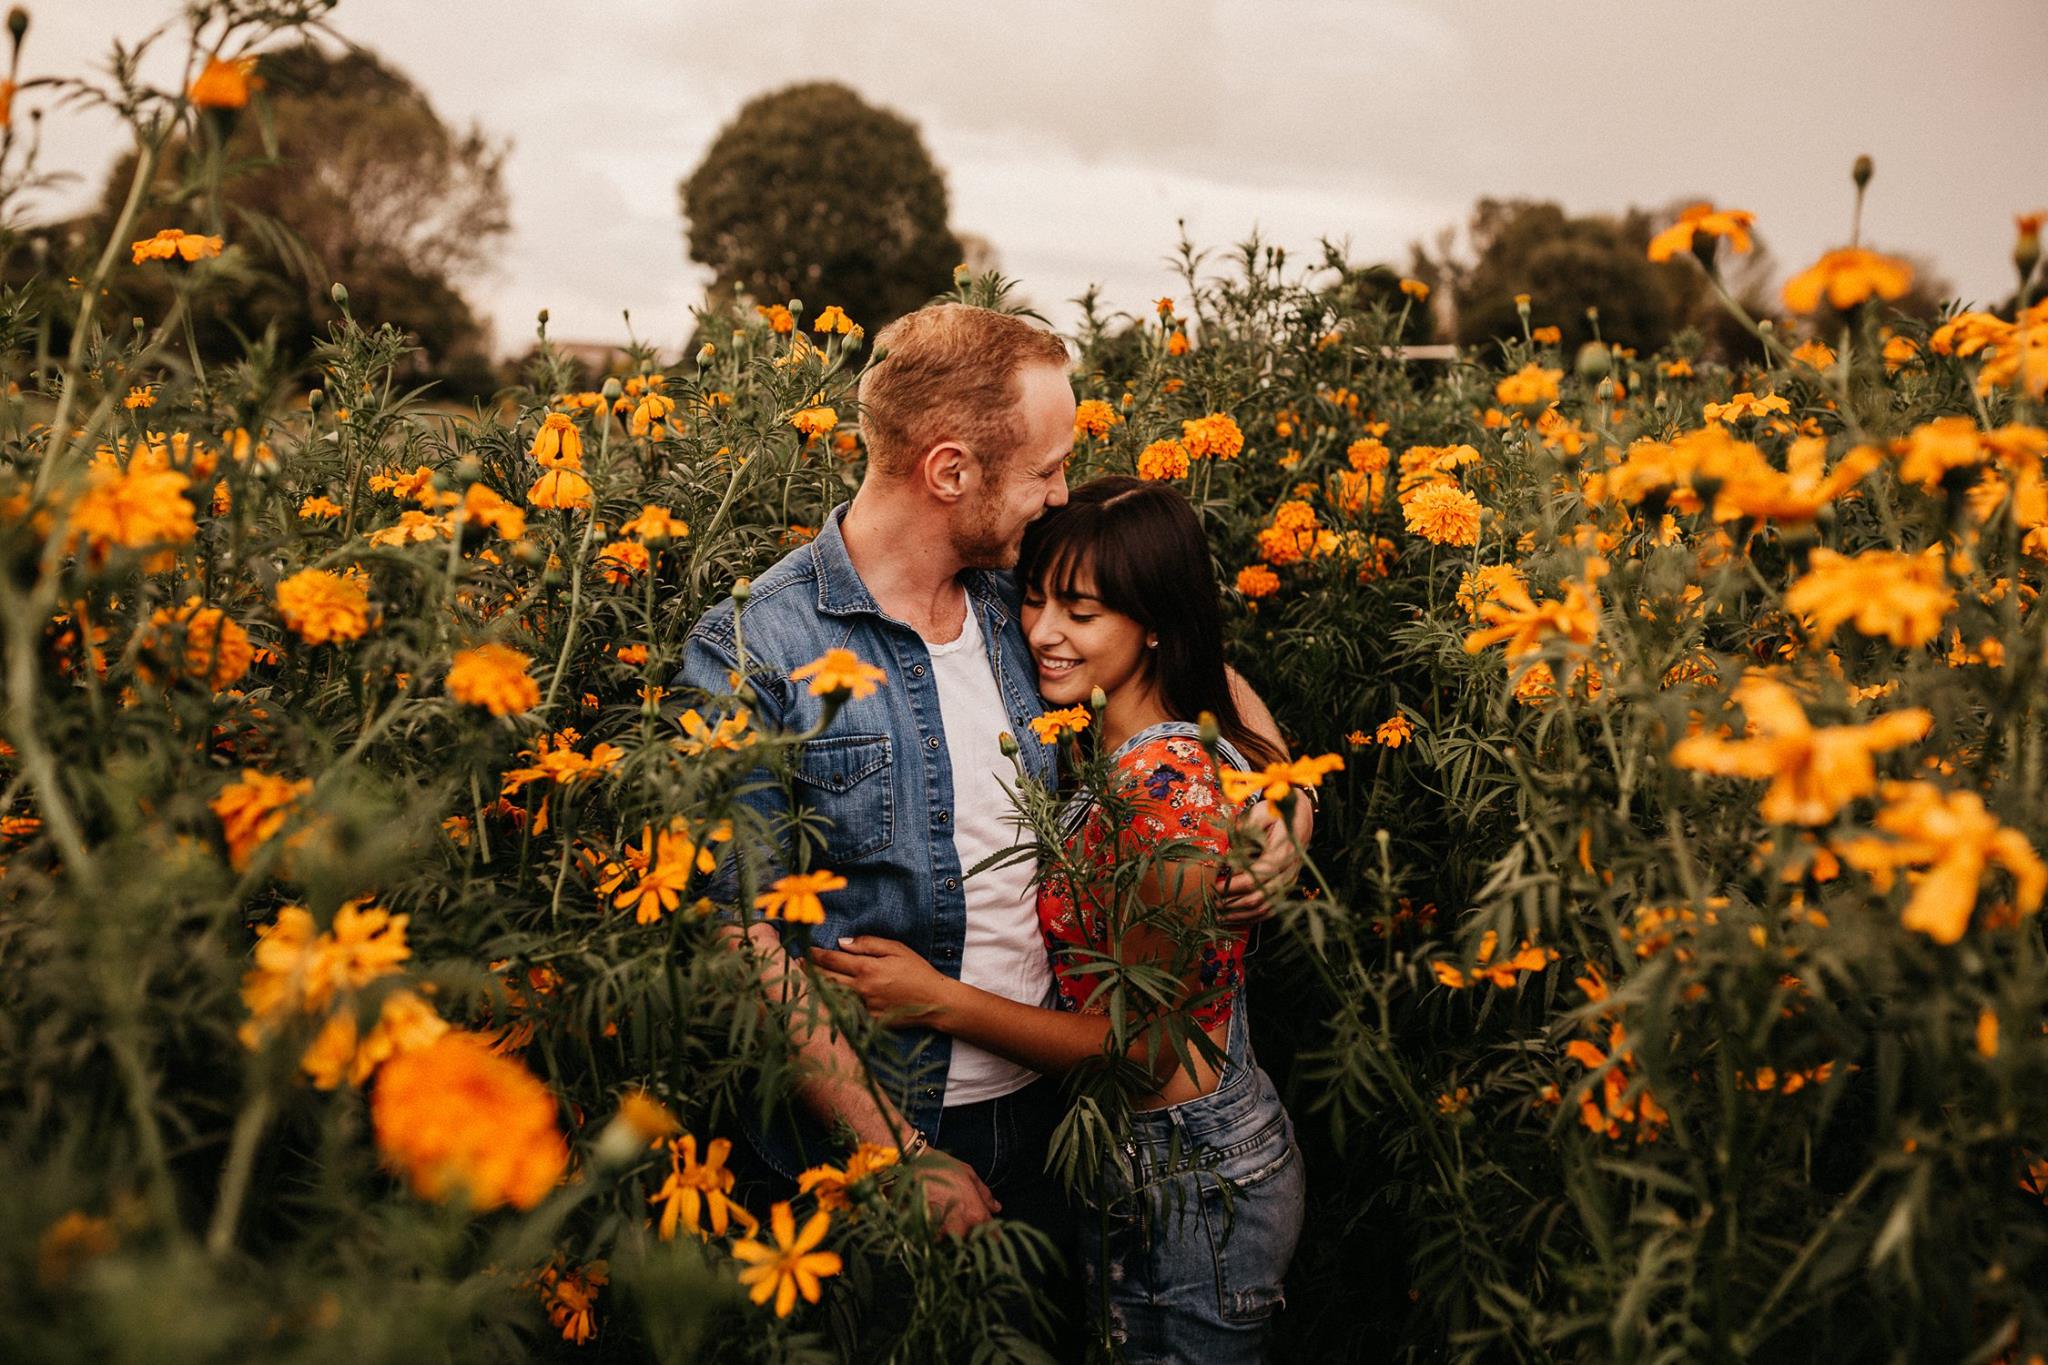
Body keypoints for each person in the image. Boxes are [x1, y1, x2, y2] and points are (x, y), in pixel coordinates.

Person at [672, 305, 1310, 1275]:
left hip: (1064, 1120)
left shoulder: (1028, 598)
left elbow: (1201, 679)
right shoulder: (756, 647)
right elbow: (737, 935)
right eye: (1045, 471)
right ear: (949, 472)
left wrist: (1285, 822)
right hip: (876, 1136)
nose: (1059, 498)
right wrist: (893, 1152)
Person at [812, 477, 1307, 1363]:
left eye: (1080, 612)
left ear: (1152, 623)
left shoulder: (1165, 799)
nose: (1041, 630)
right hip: (1147, 1156)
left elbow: (1144, 1047)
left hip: (1191, 1171)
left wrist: (937, 1001)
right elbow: (1239, 719)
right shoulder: (1118, 737)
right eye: (1035, 598)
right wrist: (1288, 797)